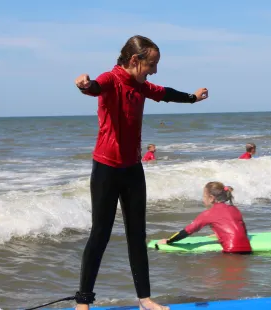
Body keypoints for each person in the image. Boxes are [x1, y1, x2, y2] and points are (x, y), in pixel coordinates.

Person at [74, 35, 209, 310]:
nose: (154, 70)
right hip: (106, 169)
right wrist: (84, 85)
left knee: (137, 233)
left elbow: (165, 93)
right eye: (151, 64)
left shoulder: (141, 86)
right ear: (135, 60)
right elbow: (95, 88)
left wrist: (193, 98)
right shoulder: (111, 79)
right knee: (100, 233)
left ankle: (145, 299)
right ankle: (83, 301)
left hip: (133, 168)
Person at [158, 182, 252, 254]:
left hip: (231, 252)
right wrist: (220, 235)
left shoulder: (208, 213)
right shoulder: (234, 208)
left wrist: (169, 241)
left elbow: (188, 231)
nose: (203, 199)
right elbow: (242, 230)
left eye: (204, 196)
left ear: (211, 198)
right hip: (248, 250)